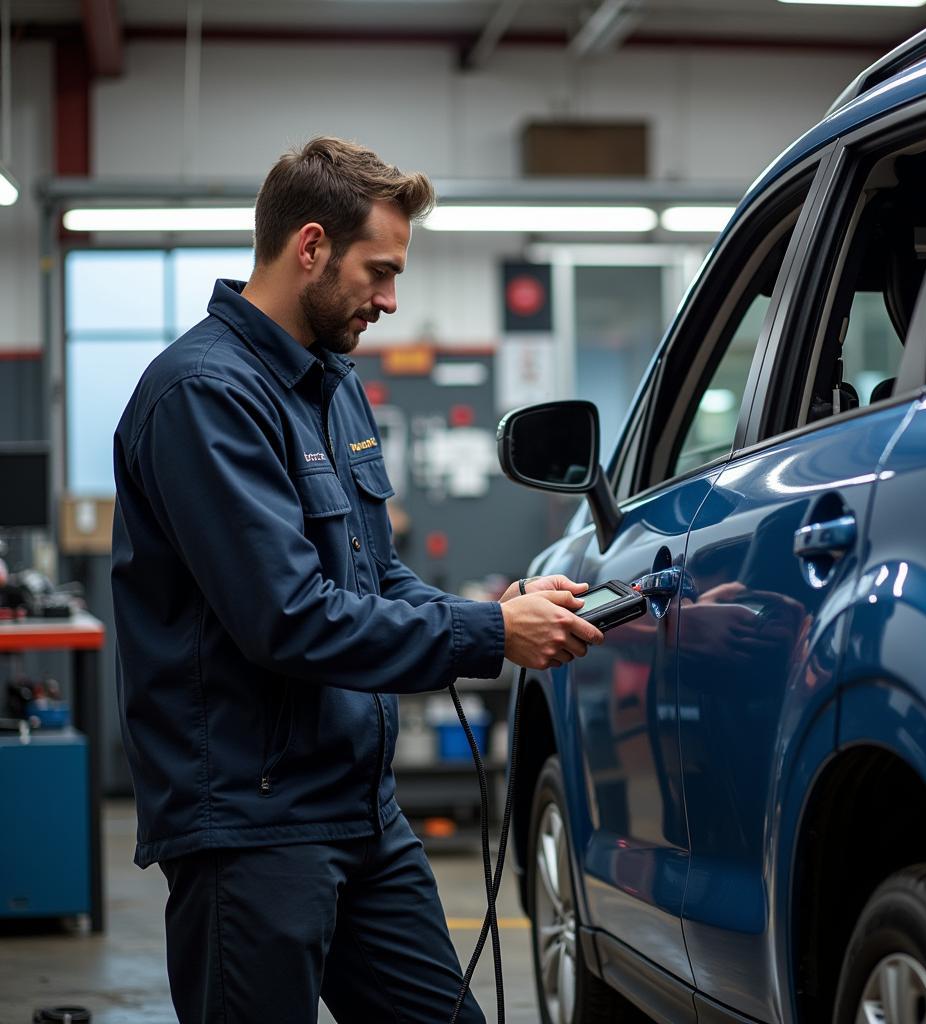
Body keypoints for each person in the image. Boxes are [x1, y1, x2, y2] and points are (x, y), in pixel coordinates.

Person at [111, 136, 603, 1024]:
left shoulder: (332, 385)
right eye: (378, 270)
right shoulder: (203, 397)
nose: (390, 298)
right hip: (254, 829)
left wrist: (493, 612)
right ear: (310, 247)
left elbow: (373, 574)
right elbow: (290, 619)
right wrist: (490, 638)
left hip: (359, 812)